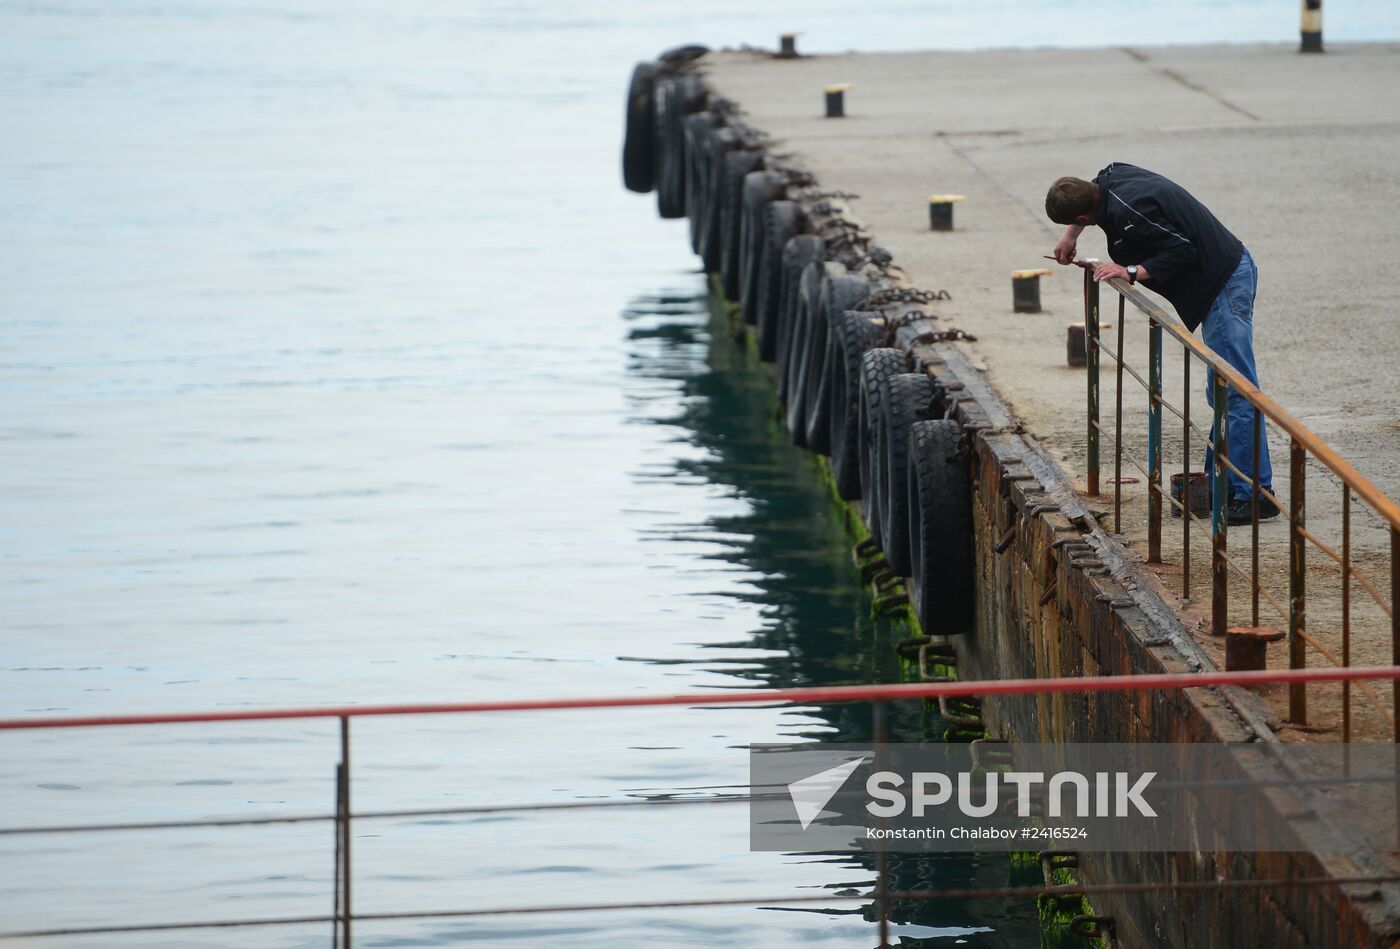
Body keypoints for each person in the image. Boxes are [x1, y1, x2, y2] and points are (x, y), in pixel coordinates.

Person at [1045, 163, 1277, 526]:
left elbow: (1182, 249)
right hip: (1223, 277)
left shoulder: (1128, 214)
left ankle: (1254, 496)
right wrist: (1071, 237)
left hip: (1224, 283)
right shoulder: (1110, 178)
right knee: (1225, 390)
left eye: (1076, 224)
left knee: (1235, 391)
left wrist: (1130, 271)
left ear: (1082, 213)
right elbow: (1090, 191)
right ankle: (1232, 486)